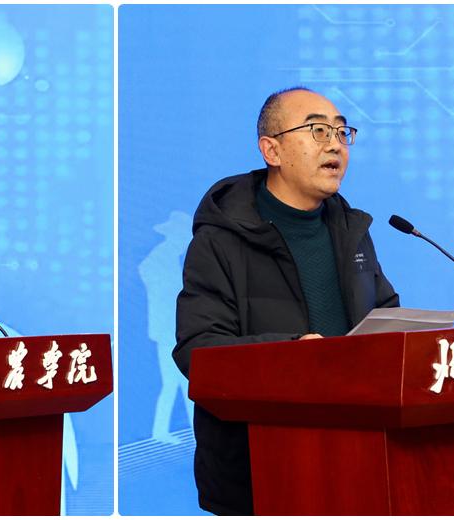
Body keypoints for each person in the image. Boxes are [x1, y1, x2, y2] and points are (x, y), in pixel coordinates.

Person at [172, 87, 400, 515]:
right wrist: (294, 354)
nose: (335, 144)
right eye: (317, 131)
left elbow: (384, 322)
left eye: (341, 132)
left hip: (359, 462)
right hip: (262, 474)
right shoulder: (220, 240)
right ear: (271, 150)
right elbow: (198, 351)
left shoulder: (351, 230)